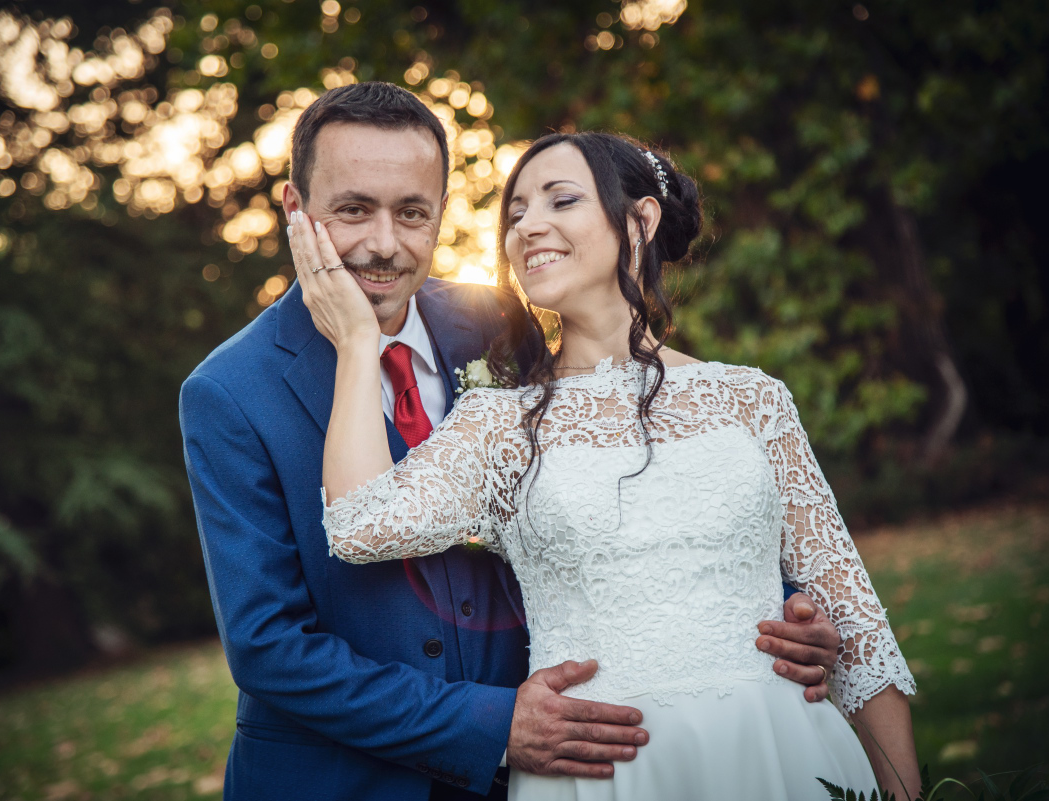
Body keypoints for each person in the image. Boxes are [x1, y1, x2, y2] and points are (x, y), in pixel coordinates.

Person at [181, 82, 844, 801]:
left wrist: (776, 610)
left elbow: (623, 482)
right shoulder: (228, 391)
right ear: (295, 210)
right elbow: (270, 647)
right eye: (353, 210)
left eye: (412, 212)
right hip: (343, 781)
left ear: (442, 211)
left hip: (559, 766)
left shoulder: (495, 323)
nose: (383, 244)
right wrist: (492, 725)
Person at [304, 129, 920, 801]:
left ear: (639, 221)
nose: (527, 226)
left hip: (776, 748)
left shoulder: (753, 400)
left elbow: (858, 628)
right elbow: (358, 525)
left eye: (561, 199)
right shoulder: (498, 423)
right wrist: (357, 341)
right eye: (515, 214)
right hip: (605, 775)